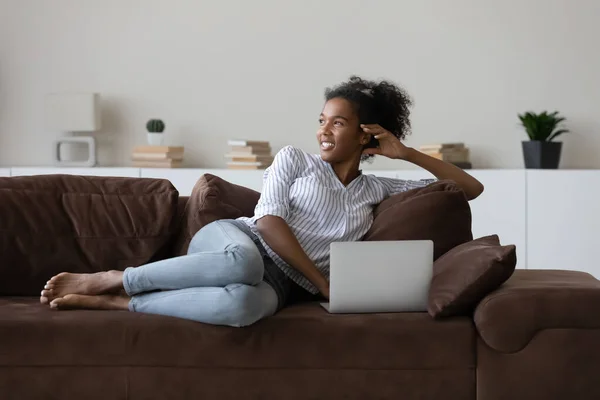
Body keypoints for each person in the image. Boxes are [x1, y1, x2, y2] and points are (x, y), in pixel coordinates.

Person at [39, 76, 484, 327]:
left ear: (366, 133)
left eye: (339, 122)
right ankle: (117, 278)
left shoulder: (376, 190)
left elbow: (468, 190)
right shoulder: (295, 160)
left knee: (242, 308)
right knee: (243, 265)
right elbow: (269, 223)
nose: (323, 130)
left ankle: (125, 305)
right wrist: (323, 284)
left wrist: (405, 153)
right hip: (233, 242)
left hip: (282, 284)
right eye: (321, 120)